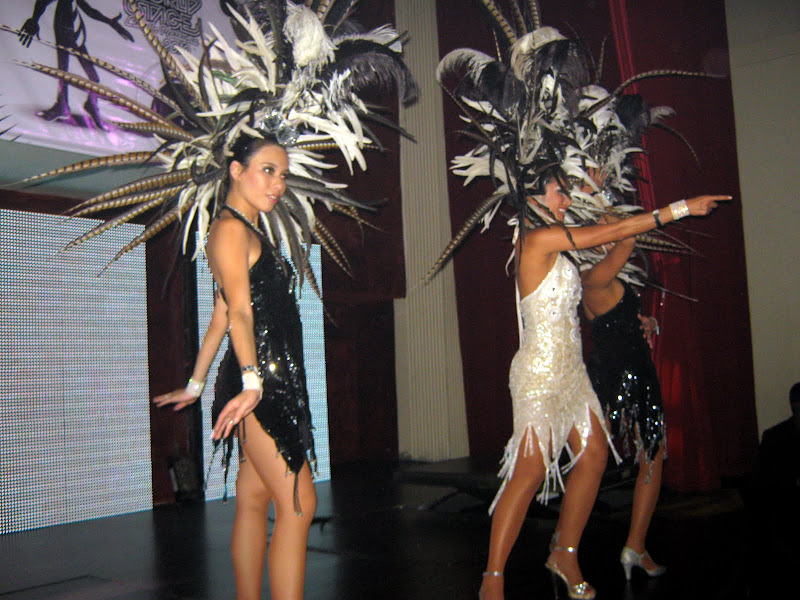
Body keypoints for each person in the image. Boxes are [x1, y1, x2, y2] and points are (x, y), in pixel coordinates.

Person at [478, 181, 729, 600]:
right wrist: (681, 208)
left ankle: (564, 553)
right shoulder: (537, 240)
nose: (567, 200)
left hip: (573, 372)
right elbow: (611, 233)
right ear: (533, 198)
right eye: (559, 192)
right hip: (539, 374)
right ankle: (493, 580)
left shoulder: (558, 246)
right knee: (530, 473)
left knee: (594, 457)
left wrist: (637, 323)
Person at [154, 134, 316, 600]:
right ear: (236, 171)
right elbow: (240, 314)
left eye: (283, 175)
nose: (278, 184)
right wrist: (251, 383)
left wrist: (195, 384)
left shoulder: (245, 229)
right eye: (268, 170)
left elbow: (220, 316)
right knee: (299, 505)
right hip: (262, 382)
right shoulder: (229, 230)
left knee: (255, 497)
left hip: (263, 378)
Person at [580, 223, 667, 581]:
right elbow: (628, 237)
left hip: (625, 370)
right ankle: (633, 546)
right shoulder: (594, 277)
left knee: (646, 455)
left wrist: (649, 323)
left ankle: (632, 545)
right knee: (648, 455)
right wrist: (622, 226)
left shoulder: (600, 277)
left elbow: (622, 323)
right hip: (625, 376)